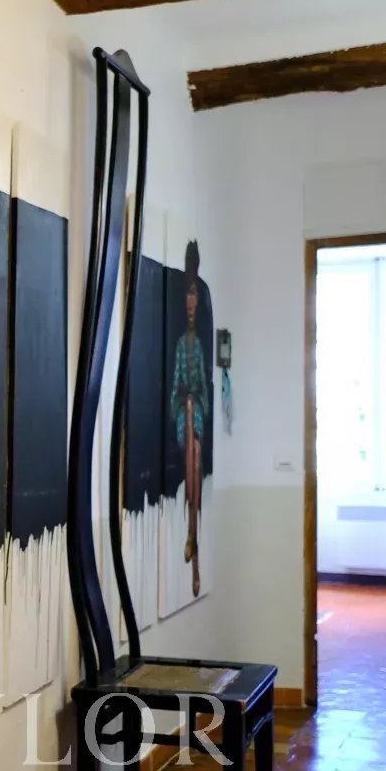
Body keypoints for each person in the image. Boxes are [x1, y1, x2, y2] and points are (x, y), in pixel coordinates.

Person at [168, 240, 210, 596]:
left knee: (196, 451)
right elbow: (176, 387)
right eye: (188, 295)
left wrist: (199, 405)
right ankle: (191, 533)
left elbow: (206, 388)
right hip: (185, 410)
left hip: (199, 411)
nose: (191, 301)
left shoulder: (203, 343)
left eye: (195, 294)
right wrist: (184, 405)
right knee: (191, 453)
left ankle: (192, 533)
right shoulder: (182, 344)